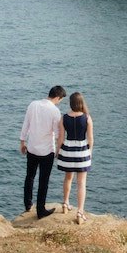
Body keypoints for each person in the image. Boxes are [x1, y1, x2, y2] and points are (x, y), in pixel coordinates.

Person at [20, 85, 66, 218]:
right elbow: (57, 134)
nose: (59, 102)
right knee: (43, 181)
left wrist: (22, 142)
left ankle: (28, 204)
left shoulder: (33, 105)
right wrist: (58, 149)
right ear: (57, 97)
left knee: (29, 177)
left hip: (32, 148)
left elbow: (26, 124)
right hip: (47, 151)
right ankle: (41, 210)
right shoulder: (55, 111)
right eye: (60, 100)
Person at [57, 91, 94, 224]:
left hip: (67, 151)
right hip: (82, 152)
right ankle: (80, 212)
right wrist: (90, 153)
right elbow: (90, 139)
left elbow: (61, 138)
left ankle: (65, 204)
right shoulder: (87, 118)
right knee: (81, 183)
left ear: (71, 103)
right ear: (81, 103)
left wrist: (57, 152)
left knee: (68, 178)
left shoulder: (64, 117)